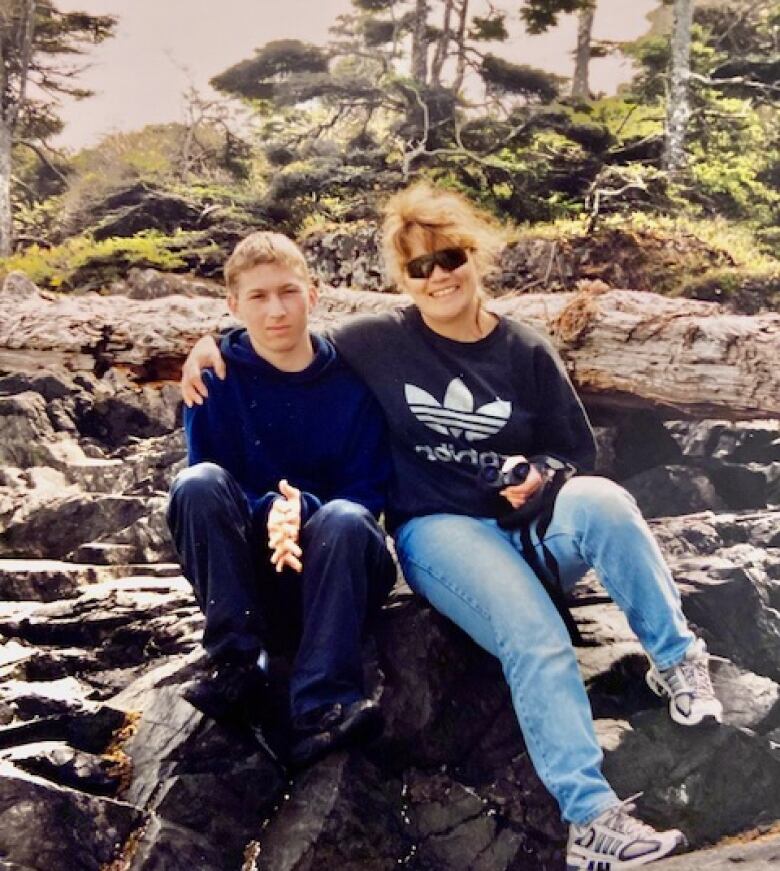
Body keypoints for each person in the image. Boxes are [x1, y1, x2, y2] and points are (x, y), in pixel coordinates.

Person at [180, 184, 723, 869]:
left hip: (533, 525)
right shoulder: (376, 341)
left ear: (475, 257)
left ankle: (676, 659)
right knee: (536, 633)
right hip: (442, 530)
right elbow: (279, 336)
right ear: (402, 279)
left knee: (607, 500)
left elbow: (576, 454)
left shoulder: (525, 349)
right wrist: (207, 342)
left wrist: (542, 471)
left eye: (449, 256)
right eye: (419, 267)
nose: (437, 275)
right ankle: (591, 820)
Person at [168, 231, 396, 769]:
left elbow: (367, 493)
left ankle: (324, 702)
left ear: (313, 294)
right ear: (233, 305)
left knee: (344, 516)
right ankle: (237, 669)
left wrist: (303, 511)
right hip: (254, 581)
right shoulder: (214, 377)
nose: (276, 311)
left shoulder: (354, 380)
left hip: (339, 568)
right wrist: (269, 511)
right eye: (258, 297)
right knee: (195, 484)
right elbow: (215, 488)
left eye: (289, 292)